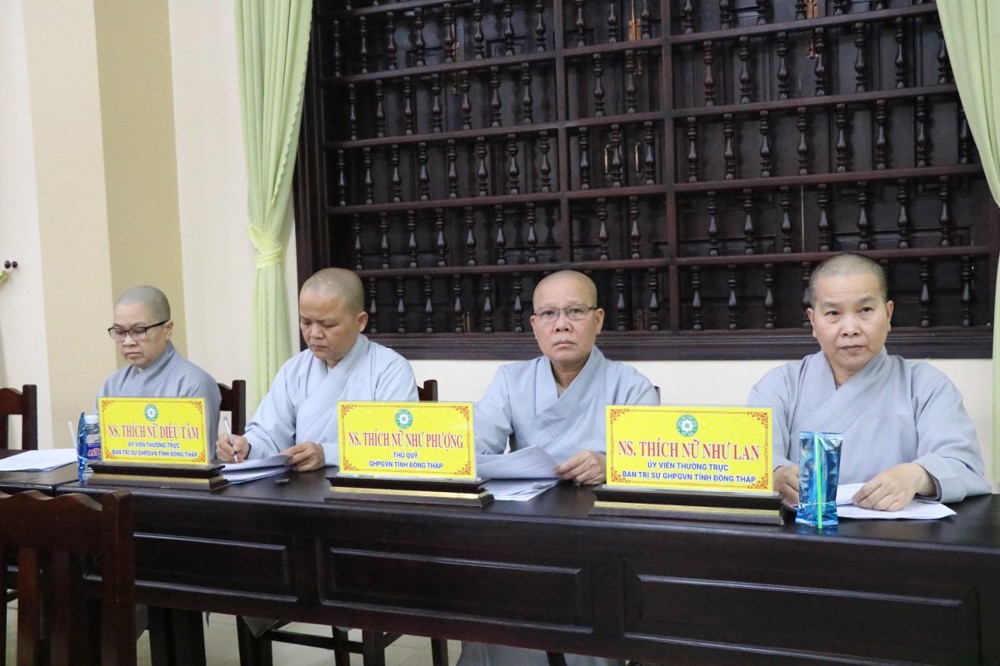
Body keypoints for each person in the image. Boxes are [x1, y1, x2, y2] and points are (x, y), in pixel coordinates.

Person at [463, 270, 656, 666]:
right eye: (549, 314)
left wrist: (611, 464)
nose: (562, 324)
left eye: (575, 312)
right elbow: (472, 450)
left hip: (599, 536)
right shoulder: (510, 380)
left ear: (598, 320)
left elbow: (653, 464)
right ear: (535, 325)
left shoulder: (630, 385)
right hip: (525, 529)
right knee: (486, 589)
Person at [747, 253, 991, 511]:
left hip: (900, 533)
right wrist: (776, 476)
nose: (850, 328)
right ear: (813, 321)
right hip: (801, 531)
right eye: (833, 313)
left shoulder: (926, 386)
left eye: (865, 310)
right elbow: (748, 464)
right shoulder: (778, 387)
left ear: (888, 314)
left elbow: (964, 466)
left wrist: (919, 475)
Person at [217, 267, 417, 472]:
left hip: (362, 488)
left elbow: (398, 447)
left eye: (328, 325)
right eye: (306, 322)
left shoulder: (390, 370)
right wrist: (246, 446)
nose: (314, 334)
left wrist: (328, 454)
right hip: (298, 485)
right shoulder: (294, 369)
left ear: (360, 321)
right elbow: (268, 436)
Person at [99, 285, 221, 441]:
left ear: (167, 329)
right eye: (120, 332)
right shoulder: (113, 384)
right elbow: (96, 447)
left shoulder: (192, 383)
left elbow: (197, 452)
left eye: (139, 331)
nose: (128, 342)